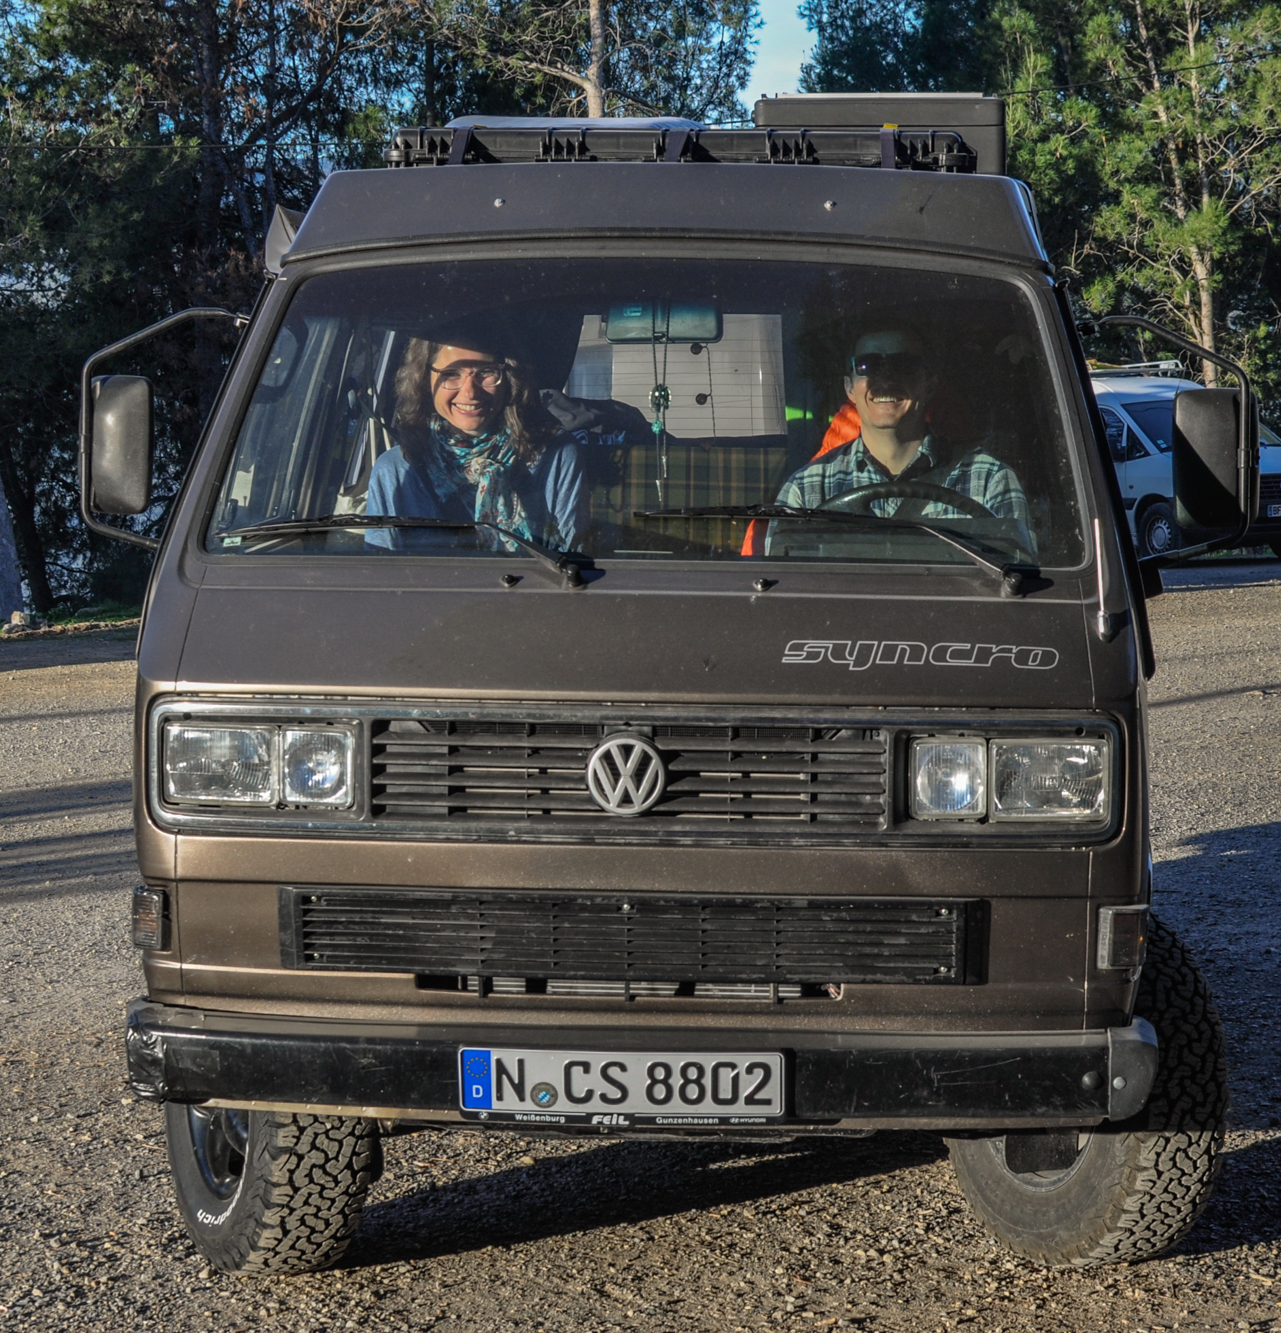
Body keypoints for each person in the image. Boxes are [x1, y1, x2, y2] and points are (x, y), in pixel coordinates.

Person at [763, 328, 1032, 553]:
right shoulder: (806, 490)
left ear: (929, 385)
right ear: (849, 388)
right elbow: (786, 590)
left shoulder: (989, 480)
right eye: (868, 365)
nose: (885, 379)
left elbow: (1018, 583)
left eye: (903, 365)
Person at [366, 334, 587, 553]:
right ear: (425, 380)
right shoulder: (396, 470)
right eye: (451, 374)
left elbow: (570, 558)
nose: (470, 392)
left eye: (486, 372)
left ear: (509, 378)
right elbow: (379, 567)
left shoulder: (554, 454)